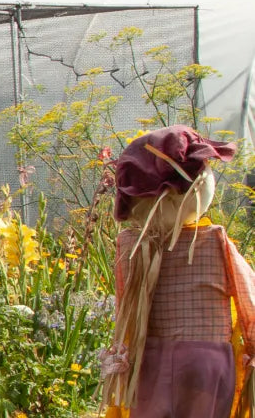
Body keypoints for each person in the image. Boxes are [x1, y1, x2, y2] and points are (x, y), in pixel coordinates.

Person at [98, 125, 250, 418]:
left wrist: (121, 352)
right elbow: (248, 296)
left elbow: (125, 306)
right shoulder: (214, 240)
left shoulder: (131, 244)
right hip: (206, 360)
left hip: (147, 359)